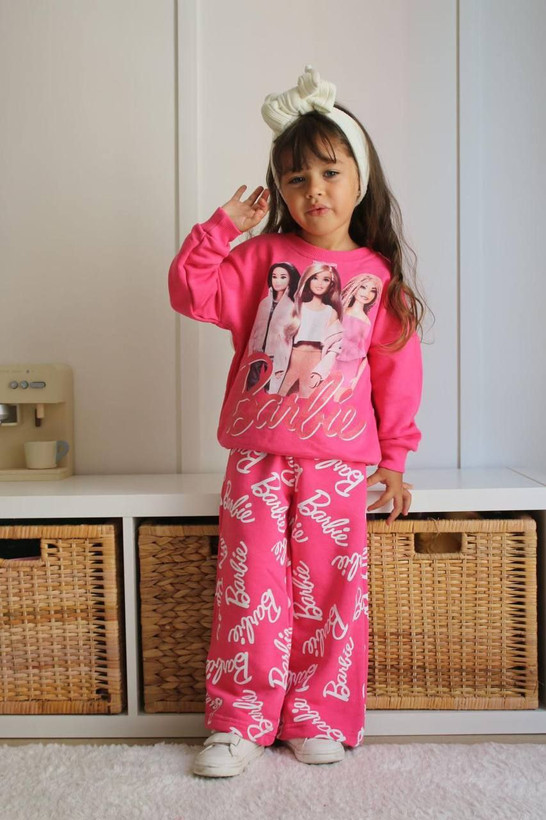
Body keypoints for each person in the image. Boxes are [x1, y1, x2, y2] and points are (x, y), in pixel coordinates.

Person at [169, 66, 424, 778]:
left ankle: (318, 714)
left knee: (331, 594)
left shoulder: (379, 277)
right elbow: (190, 291)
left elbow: (397, 375)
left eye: (330, 173)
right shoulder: (259, 259)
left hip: (339, 466)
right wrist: (224, 227)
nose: (314, 190)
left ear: (360, 180)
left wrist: (395, 460)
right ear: (279, 191)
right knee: (250, 591)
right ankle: (238, 720)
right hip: (256, 457)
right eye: (295, 178)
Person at [277, 262, 343, 398]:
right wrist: (278, 364)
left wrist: (320, 371)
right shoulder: (297, 308)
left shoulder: (331, 312)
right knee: (281, 396)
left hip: (315, 359)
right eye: (315, 278)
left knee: (308, 399)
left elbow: (334, 347)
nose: (320, 283)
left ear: (331, 285)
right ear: (308, 281)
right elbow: (281, 339)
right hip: (293, 358)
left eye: (326, 280)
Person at [246, 262, 300, 392]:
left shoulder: (292, 307)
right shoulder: (264, 303)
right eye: (274, 276)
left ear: (290, 280)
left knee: (272, 393)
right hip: (257, 355)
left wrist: (283, 361)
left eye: (283, 277)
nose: (277, 281)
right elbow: (254, 331)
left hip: (276, 358)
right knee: (251, 391)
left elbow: (290, 338)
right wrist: (250, 353)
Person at [333, 273, 382, 399]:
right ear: (355, 288)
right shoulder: (340, 312)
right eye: (363, 287)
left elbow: (365, 356)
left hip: (350, 366)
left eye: (373, 291)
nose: (367, 293)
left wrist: (356, 378)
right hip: (330, 359)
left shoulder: (366, 322)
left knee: (337, 399)